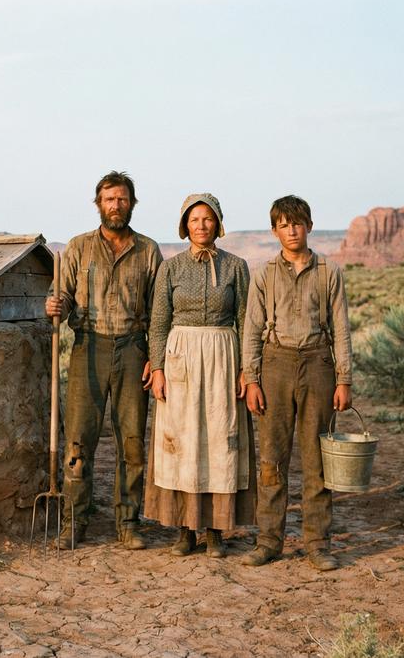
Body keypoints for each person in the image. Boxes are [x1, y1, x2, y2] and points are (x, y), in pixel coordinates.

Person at [45, 170, 162, 550]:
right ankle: (73, 522)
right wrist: (54, 306)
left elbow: (160, 312)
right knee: (79, 441)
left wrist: (154, 358)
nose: (116, 205)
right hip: (87, 348)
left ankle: (127, 523)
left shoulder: (148, 251)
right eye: (110, 199)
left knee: (131, 443)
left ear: (132, 204)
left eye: (123, 199)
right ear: (98, 204)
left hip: (133, 350)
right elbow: (58, 299)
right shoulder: (78, 248)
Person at [239, 195, 353, 571]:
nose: (291, 230)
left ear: (309, 226)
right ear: (274, 230)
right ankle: (269, 541)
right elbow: (252, 330)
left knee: (318, 459)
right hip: (276, 365)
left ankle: (318, 544)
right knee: (272, 459)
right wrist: (251, 378)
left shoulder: (328, 272)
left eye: (298, 222)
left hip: (318, 364)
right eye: (284, 224)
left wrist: (344, 380)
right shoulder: (265, 273)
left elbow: (341, 329)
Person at [143, 193, 255, 559]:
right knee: (184, 441)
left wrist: (246, 370)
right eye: (194, 220)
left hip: (222, 357)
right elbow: (158, 322)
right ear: (184, 226)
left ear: (218, 223)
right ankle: (184, 530)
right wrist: (157, 368)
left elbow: (245, 321)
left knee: (219, 440)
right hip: (181, 360)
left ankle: (216, 530)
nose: (201, 226)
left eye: (208, 219)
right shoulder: (171, 268)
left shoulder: (236, 266)